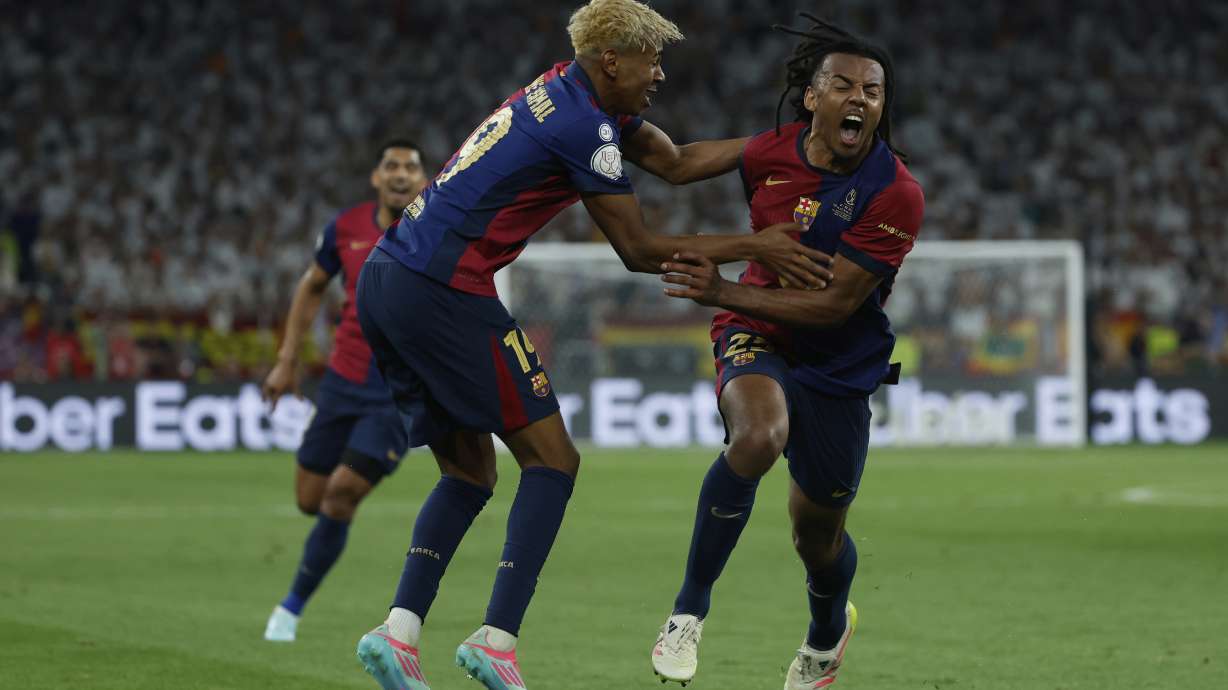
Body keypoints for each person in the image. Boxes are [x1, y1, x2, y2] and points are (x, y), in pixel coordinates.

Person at [350, 1, 836, 689]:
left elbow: (676, 161)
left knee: (468, 473)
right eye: (651, 62)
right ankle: (496, 642)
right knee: (554, 459)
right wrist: (755, 244)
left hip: (388, 276)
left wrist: (789, 141)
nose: (660, 75)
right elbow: (638, 250)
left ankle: (398, 634)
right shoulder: (581, 125)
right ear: (612, 60)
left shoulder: (562, 93)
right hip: (443, 287)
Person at [649, 14, 925, 690]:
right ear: (813, 97)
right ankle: (687, 612)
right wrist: (595, 108)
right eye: (844, 85)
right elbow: (676, 163)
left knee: (817, 537)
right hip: (759, 336)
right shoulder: (771, 150)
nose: (859, 99)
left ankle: (827, 634)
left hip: (838, 359)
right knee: (758, 437)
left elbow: (833, 305)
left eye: (873, 91)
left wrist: (722, 290)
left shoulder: (896, 192)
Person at [260, 139, 428, 642]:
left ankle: (289, 609)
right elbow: (311, 285)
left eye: (411, 167)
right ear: (376, 177)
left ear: (424, 180)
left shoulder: (439, 226)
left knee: (340, 494)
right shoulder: (345, 228)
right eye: (391, 166)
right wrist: (287, 360)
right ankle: (314, 564)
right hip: (342, 382)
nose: (401, 174)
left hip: (398, 394)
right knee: (309, 499)